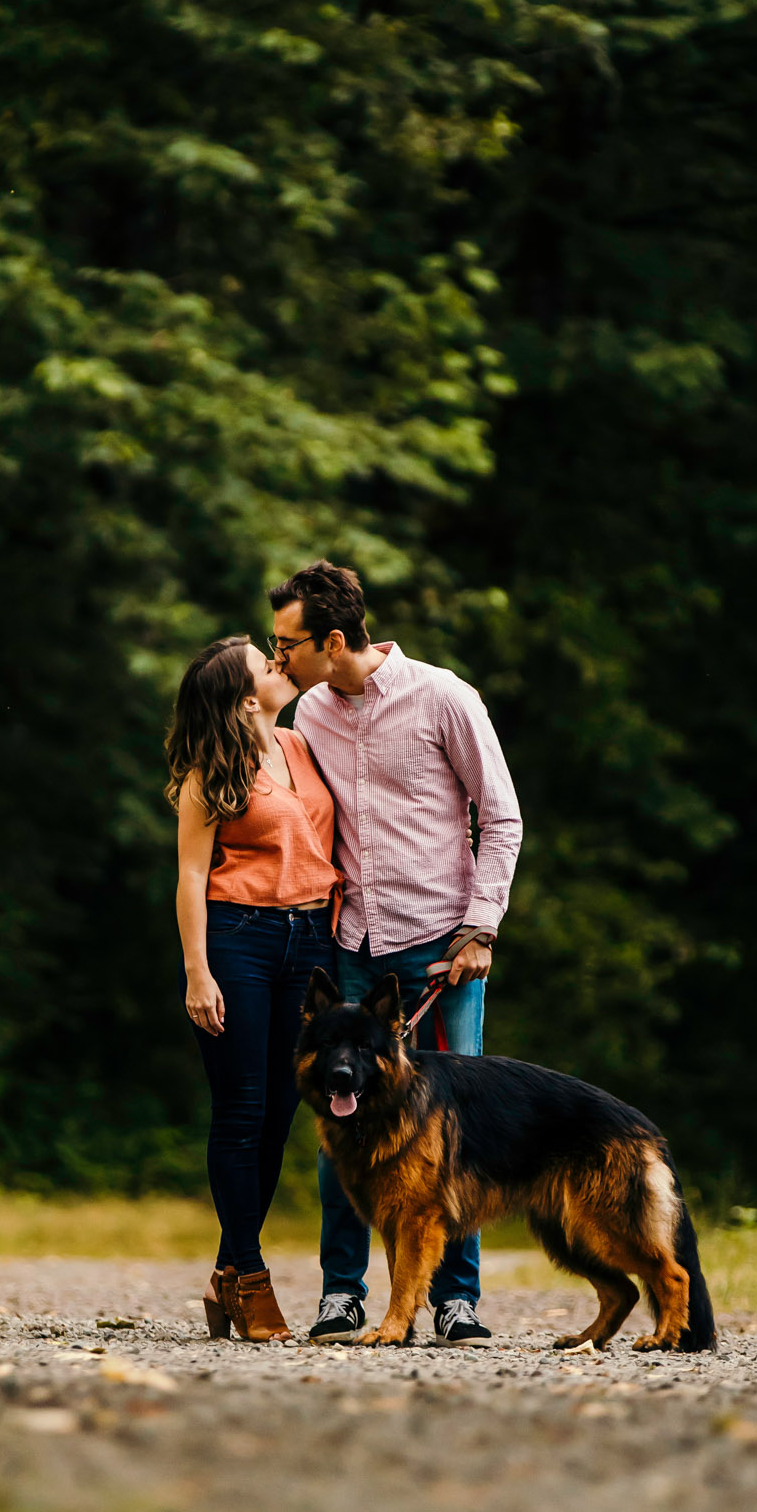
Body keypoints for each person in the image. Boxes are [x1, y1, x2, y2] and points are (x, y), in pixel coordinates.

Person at [268, 560, 523, 1344]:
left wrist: (478, 929)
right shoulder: (308, 711)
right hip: (353, 945)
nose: (277, 658)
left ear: (333, 639)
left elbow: (501, 817)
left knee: (454, 1131)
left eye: (287, 644)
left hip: (440, 949)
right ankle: (341, 1293)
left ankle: (455, 1301)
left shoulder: (443, 696)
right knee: (339, 1118)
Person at [168, 634, 339, 1342]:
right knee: (240, 1112)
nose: (279, 666)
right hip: (239, 939)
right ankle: (251, 1279)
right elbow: (188, 877)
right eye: (264, 666)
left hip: (310, 942)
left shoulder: (298, 746)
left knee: (277, 1116)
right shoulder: (211, 773)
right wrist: (197, 970)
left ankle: (223, 1274)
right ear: (242, 698)